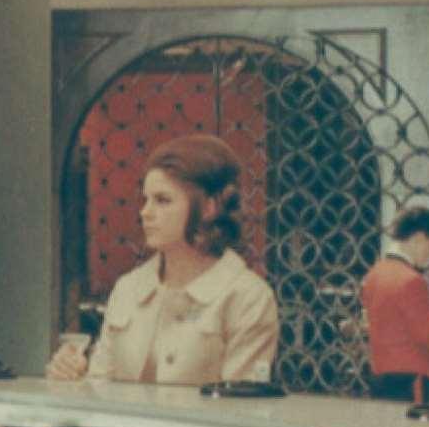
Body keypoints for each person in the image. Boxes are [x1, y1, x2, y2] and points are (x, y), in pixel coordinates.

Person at [49, 136, 280, 388]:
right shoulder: (129, 288)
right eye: (145, 199)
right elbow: (101, 391)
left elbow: (241, 409)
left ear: (208, 208)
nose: (145, 212)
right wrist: (74, 377)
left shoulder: (248, 298)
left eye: (162, 200)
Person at [358, 203, 429, 400]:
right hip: (411, 378)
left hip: (380, 374)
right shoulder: (412, 280)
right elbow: (426, 335)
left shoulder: (374, 274)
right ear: (418, 238)